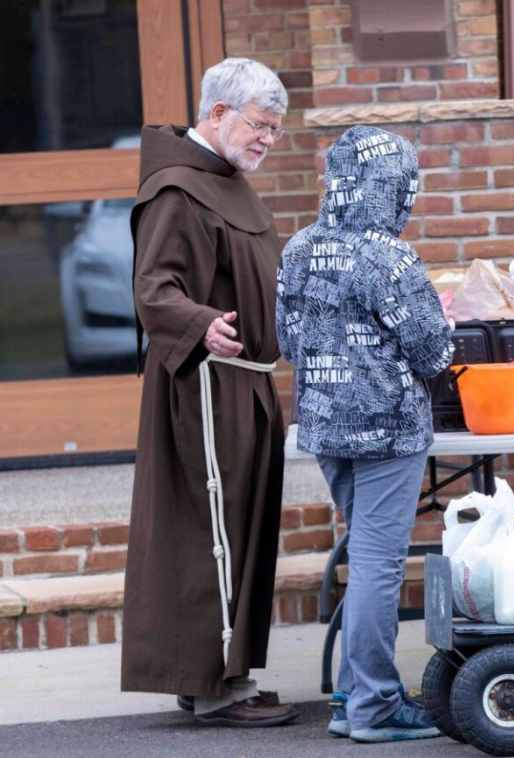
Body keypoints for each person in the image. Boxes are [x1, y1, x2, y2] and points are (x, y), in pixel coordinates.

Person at [121, 58, 298, 726]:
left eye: (277, 130)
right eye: (260, 126)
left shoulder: (229, 181)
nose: (268, 141)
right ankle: (205, 684)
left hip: (245, 386)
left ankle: (232, 673)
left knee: (241, 528)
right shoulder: (177, 188)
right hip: (203, 390)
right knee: (208, 531)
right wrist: (200, 327)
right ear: (218, 113)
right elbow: (154, 289)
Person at [277, 125, 454, 743]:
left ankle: (352, 695)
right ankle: (376, 707)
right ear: (392, 189)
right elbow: (433, 350)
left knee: (365, 556)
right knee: (379, 566)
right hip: (388, 434)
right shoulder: (389, 256)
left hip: (326, 429)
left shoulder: (298, 248)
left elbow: (287, 341)